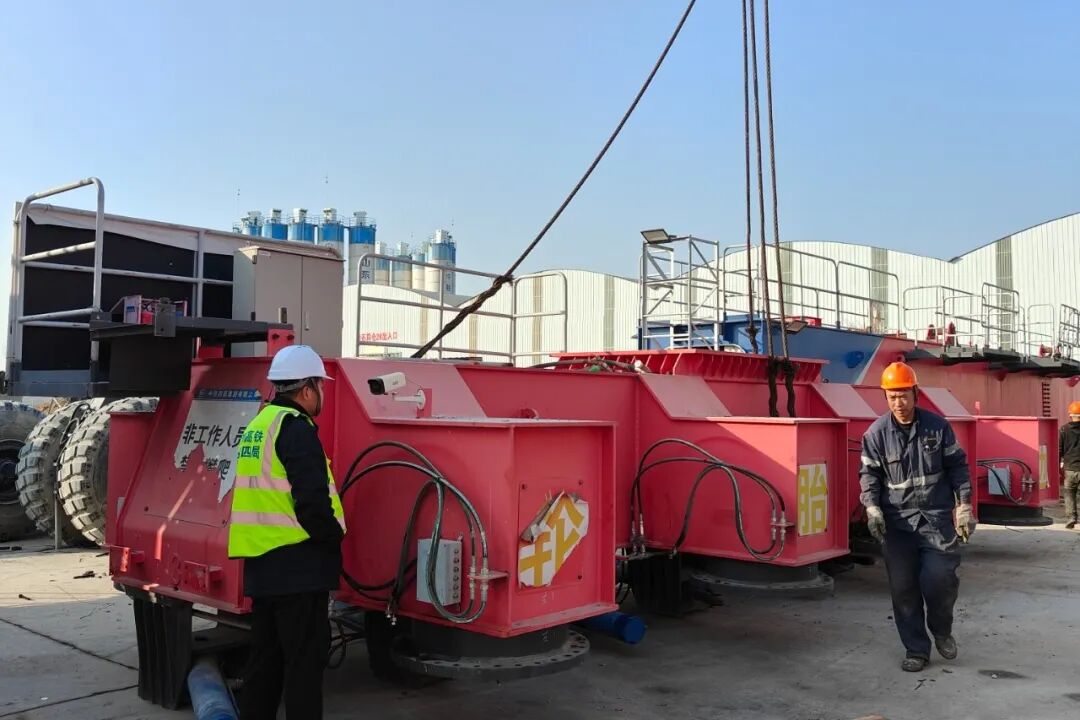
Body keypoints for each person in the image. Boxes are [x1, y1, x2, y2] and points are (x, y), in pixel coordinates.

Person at [228, 344, 347, 720]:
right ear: (307, 389)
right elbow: (312, 503)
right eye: (320, 386)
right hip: (299, 568)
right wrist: (333, 539)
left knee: (264, 665)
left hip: (263, 568)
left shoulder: (259, 425)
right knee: (303, 669)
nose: (322, 394)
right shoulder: (296, 430)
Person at [859, 361, 974, 672]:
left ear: (915, 394)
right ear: (885, 397)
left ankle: (942, 630)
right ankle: (916, 650)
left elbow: (958, 467)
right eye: (892, 396)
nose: (899, 403)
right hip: (898, 525)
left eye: (903, 395)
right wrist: (872, 508)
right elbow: (869, 475)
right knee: (904, 590)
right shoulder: (876, 434)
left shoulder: (937, 427)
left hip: (936, 520)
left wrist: (964, 506)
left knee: (940, 580)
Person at [1059, 400, 1080, 529]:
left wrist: (1057, 467)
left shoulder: (1064, 429)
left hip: (1070, 468)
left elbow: (1059, 449)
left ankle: (1071, 518)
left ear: (1070, 414)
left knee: (1069, 493)